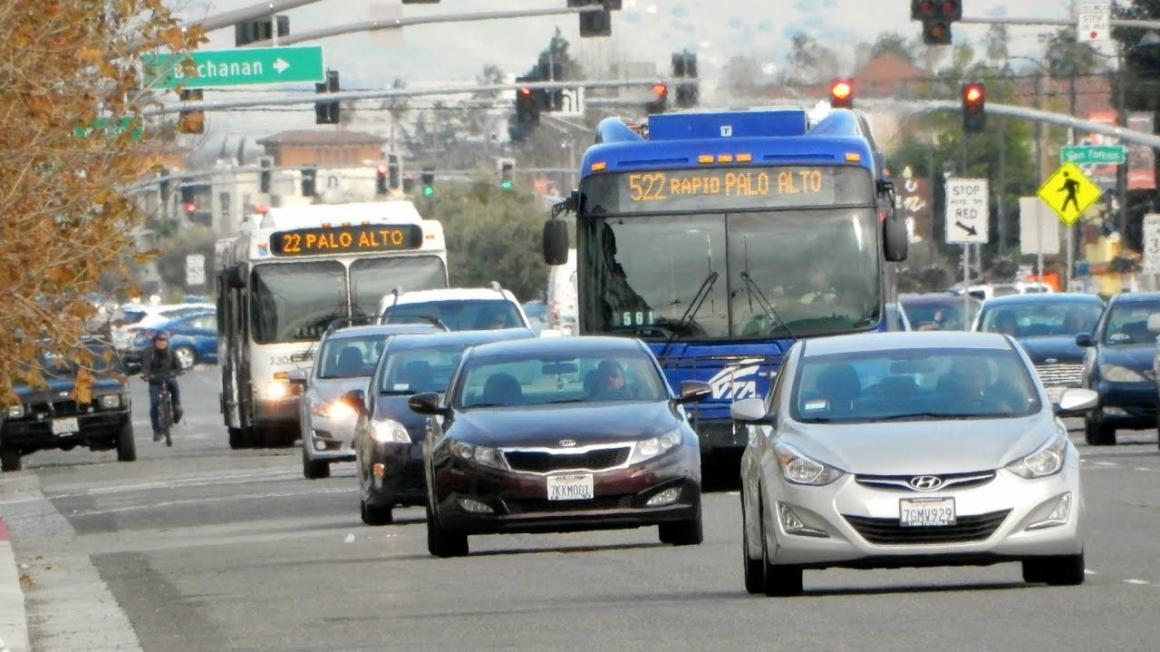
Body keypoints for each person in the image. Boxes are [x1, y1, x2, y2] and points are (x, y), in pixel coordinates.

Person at [142, 331, 182, 442]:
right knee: (154, 404)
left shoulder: (171, 351)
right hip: (154, 380)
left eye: (164, 340)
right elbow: (145, 367)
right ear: (155, 341)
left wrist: (177, 372)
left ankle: (176, 405)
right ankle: (156, 430)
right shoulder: (148, 352)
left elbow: (178, 367)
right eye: (159, 340)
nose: (162, 343)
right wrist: (146, 375)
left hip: (168, 377)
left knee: (174, 384)